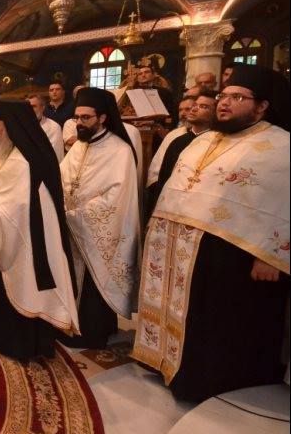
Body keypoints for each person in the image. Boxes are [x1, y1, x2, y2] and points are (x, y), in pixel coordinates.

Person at [133, 65, 289, 401]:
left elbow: (282, 203)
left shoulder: (280, 145)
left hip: (234, 254)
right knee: (189, 314)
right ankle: (168, 362)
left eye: (238, 97)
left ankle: (204, 379)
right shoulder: (204, 139)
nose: (225, 103)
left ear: (262, 106)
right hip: (185, 247)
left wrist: (271, 256)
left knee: (217, 320)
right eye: (223, 96)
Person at [0, 101, 80, 360]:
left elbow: (15, 205)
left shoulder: (20, 161)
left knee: (24, 286)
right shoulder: (12, 152)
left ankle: (17, 343)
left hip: (26, 241)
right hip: (21, 234)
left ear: (13, 129)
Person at [59, 88, 141, 349]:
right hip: (70, 225)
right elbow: (60, 178)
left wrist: (77, 215)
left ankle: (94, 330)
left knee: (94, 284)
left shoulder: (120, 151)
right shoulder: (78, 147)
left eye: (86, 118)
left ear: (103, 118)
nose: (79, 123)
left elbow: (117, 197)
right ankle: (68, 323)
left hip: (95, 231)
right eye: (77, 117)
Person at [145, 90, 217, 218]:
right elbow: (164, 176)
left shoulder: (218, 142)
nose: (194, 109)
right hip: (170, 204)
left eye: (203, 106)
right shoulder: (177, 141)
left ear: (215, 113)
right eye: (195, 105)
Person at [28, 93, 64, 161]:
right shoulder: (20, 126)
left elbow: (56, 155)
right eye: (28, 107)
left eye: (33, 106)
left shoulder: (54, 127)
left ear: (43, 107)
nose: (30, 109)